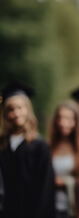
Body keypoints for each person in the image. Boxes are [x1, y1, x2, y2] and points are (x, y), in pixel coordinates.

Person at [0, 81, 55, 218]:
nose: (16, 113)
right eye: (10, 109)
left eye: (20, 108)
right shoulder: (2, 144)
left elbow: (45, 189)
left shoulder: (39, 146)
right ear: (5, 114)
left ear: (28, 110)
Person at [48, 101, 79, 218]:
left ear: (76, 122)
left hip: (73, 209)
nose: (63, 123)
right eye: (60, 118)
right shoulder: (49, 146)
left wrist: (65, 182)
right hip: (50, 207)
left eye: (68, 119)